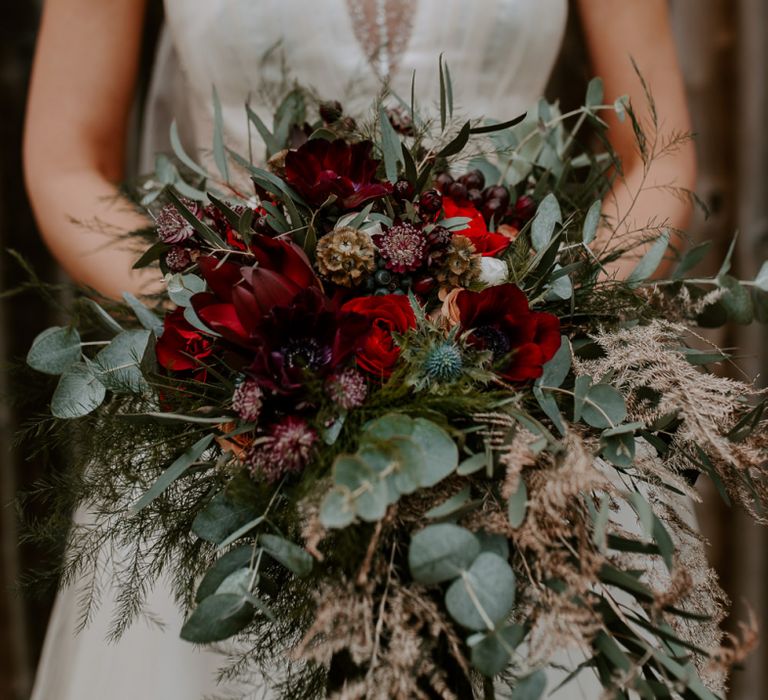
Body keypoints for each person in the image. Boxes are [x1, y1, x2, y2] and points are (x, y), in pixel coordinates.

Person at [22, 1, 697, 698]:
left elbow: (660, 151)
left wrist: (544, 309)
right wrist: (223, 313)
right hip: (242, 411)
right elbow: (67, 161)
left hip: (521, 402)